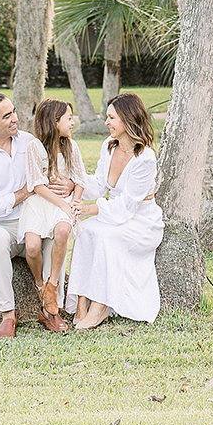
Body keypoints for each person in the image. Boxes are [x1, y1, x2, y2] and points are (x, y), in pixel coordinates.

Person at [0, 92, 65, 338]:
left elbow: (49, 175)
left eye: (14, 112)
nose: (15, 119)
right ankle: (8, 314)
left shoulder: (29, 142)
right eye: (6, 116)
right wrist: (22, 193)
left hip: (33, 218)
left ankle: (50, 308)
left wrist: (66, 185)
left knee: (58, 232)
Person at [66, 91, 164, 328]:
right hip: (114, 214)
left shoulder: (145, 158)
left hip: (142, 222)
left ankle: (100, 307)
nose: (106, 122)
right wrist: (74, 181)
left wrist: (91, 209)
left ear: (128, 120)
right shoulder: (109, 147)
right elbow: (100, 184)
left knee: (105, 237)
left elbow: (127, 206)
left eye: (112, 118)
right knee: (85, 231)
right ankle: (81, 304)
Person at [18, 97, 86, 322]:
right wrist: (63, 204)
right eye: (68, 118)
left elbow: (80, 180)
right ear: (54, 121)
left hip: (62, 202)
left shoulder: (71, 146)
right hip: (40, 203)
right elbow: (37, 185)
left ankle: (54, 285)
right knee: (32, 247)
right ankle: (41, 285)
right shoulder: (34, 147)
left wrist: (72, 203)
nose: (72, 122)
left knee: (63, 231)